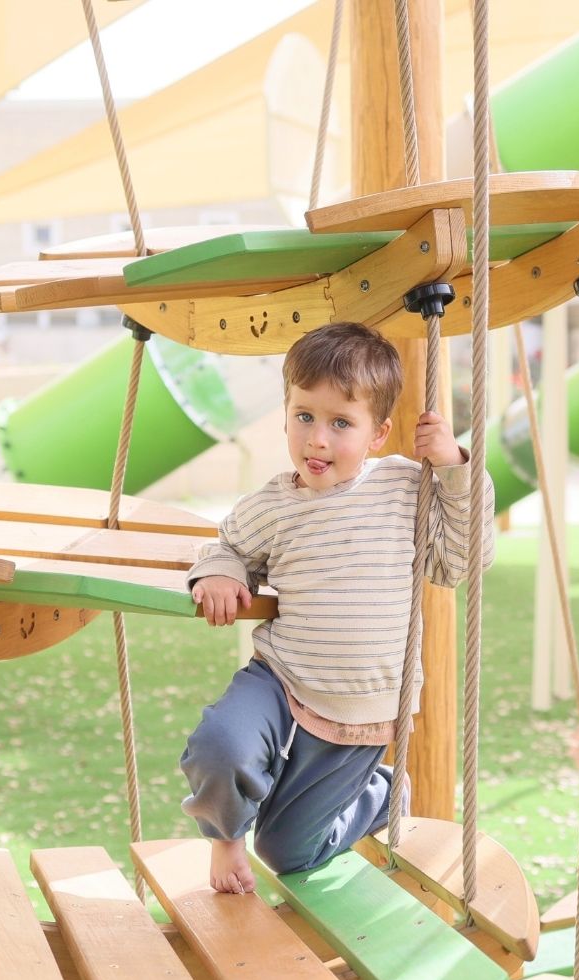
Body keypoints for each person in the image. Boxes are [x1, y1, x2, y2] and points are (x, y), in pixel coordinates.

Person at [181, 321, 494, 893]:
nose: (317, 440)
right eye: (304, 416)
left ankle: (378, 795)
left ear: (379, 435)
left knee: (287, 852)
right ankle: (225, 840)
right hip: (279, 680)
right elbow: (225, 547)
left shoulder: (404, 489)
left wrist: (453, 467)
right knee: (221, 743)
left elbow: (462, 560)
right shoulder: (273, 505)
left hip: (363, 707)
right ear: (285, 416)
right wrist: (221, 573)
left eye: (341, 423)